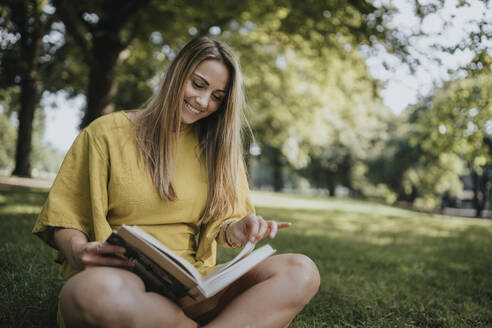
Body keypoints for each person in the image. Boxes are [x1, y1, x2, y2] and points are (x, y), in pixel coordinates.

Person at [33, 36, 320, 328]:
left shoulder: (219, 151)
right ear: (175, 73)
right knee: (89, 294)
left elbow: (225, 225)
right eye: (198, 84)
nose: (204, 102)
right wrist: (80, 251)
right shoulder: (105, 134)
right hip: (120, 282)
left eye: (218, 97)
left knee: (301, 271)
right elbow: (65, 217)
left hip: (194, 289)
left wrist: (238, 229)